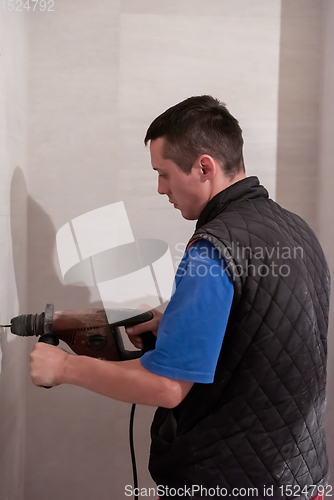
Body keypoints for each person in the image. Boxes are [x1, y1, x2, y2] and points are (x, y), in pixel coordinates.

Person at [30, 96, 330, 500]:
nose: (159, 188)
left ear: (204, 167)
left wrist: (64, 367)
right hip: (301, 473)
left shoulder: (213, 247)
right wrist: (174, 318)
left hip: (233, 481)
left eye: (164, 173)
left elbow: (167, 386)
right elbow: (267, 322)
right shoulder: (295, 229)